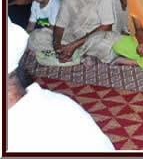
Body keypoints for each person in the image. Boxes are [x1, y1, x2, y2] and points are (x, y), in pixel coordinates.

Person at [7, 18, 115, 152]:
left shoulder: (63, 115)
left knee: (108, 40)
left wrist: (75, 44)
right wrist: (57, 45)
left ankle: (77, 55)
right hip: (68, 39)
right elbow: (60, 25)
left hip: (88, 40)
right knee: (37, 36)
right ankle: (75, 57)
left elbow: (106, 26)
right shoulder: (62, 105)